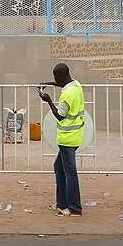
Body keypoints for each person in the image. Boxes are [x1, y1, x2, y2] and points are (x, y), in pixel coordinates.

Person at [38, 62, 84, 217]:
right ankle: (61, 203)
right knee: (59, 167)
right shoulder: (75, 85)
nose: (54, 78)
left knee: (69, 172)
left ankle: (74, 208)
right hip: (76, 135)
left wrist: (49, 101)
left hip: (67, 138)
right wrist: (47, 84)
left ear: (61, 76)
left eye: (55, 76)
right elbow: (62, 84)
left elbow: (59, 115)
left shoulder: (66, 95)